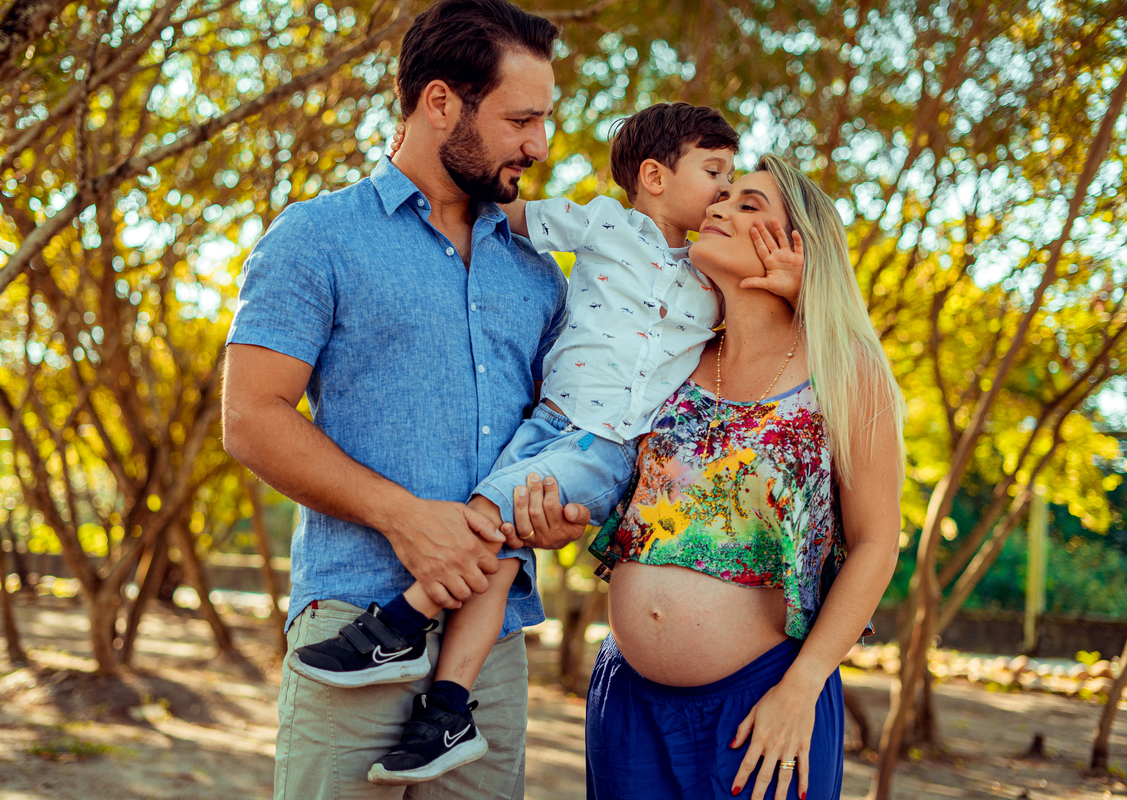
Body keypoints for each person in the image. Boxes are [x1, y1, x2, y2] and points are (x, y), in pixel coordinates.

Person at [295, 103, 804, 785]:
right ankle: (448, 706)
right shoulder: (602, 224)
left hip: (608, 446)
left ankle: (397, 625)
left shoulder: (710, 282)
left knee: (487, 514)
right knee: (500, 544)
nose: (722, 189)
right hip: (549, 421)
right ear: (653, 176)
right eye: (714, 172)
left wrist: (794, 292)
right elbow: (493, 218)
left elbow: (762, 355)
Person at [220, 2, 593, 798]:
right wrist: (405, 518)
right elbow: (251, 418)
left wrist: (555, 515)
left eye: (546, 120)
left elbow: (562, 429)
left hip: (489, 654)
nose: (540, 145)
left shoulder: (541, 273)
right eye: (521, 119)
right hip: (354, 623)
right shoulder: (315, 237)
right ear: (439, 103)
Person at [584, 156, 906, 800]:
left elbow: (876, 543)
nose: (717, 208)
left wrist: (803, 685)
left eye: (749, 203)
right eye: (720, 197)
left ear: (798, 246)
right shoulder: (670, 356)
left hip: (765, 704)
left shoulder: (845, 374)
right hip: (626, 703)